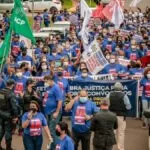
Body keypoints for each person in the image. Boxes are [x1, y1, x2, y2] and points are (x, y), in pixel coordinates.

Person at [106, 82, 131, 150]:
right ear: (121, 88)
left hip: (111, 116)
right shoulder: (124, 96)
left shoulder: (109, 95)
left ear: (114, 88)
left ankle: (110, 148)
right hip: (121, 116)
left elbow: (106, 105)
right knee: (121, 133)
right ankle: (121, 148)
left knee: (111, 132)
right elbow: (128, 107)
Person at [43, 75, 63, 150]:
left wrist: (57, 112)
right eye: (44, 81)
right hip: (48, 113)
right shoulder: (48, 88)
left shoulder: (56, 88)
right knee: (49, 131)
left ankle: (56, 147)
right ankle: (52, 146)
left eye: (46, 81)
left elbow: (60, 101)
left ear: (50, 80)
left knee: (52, 130)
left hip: (54, 113)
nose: (45, 83)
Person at [0, 79, 18, 150]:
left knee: (1, 130)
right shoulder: (11, 94)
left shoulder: (1, 92)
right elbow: (14, 107)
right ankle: (8, 147)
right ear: (12, 85)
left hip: (1, 114)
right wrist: (16, 116)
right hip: (8, 115)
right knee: (8, 131)